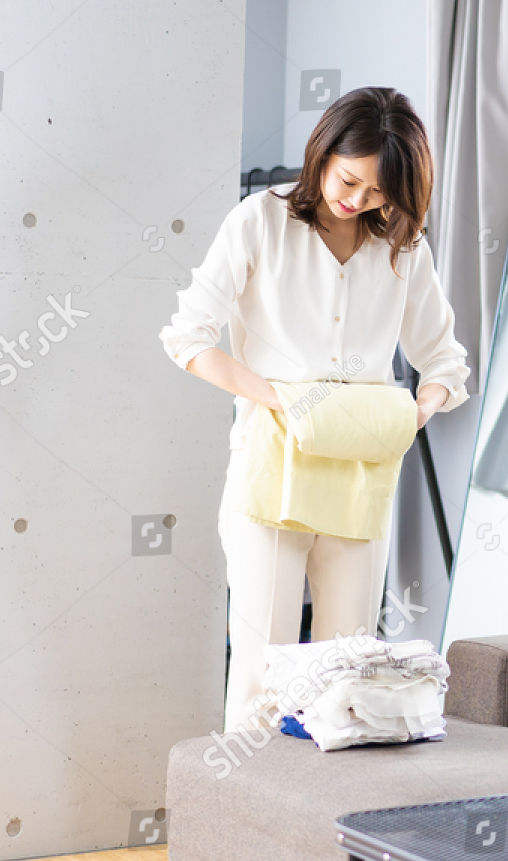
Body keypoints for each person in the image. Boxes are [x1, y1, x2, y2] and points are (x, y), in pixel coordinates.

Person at [159, 87, 469, 735]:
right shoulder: (258, 220)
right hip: (271, 466)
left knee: (344, 673)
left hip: (362, 474)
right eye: (349, 178)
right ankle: (243, 823)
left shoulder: (403, 248)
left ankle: (323, 829)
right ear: (324, 152)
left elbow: (445, 363)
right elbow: (187, 338)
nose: (357, 199)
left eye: (379, 192)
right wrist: (280, 398)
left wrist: (412, 413)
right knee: (263, 671)